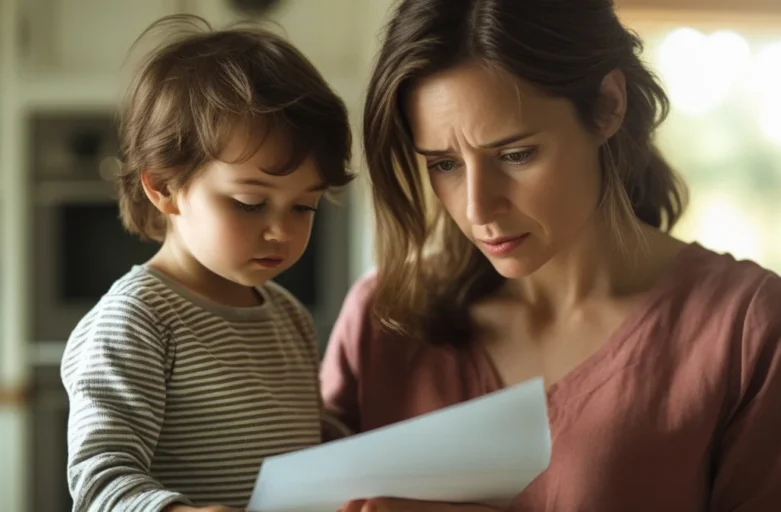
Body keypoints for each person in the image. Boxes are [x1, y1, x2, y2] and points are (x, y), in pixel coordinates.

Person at [320, 0, 781, 510]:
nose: (478, 207)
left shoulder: (747, 331)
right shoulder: (382, 317)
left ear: (608, 105)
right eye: (445, 164)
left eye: (515, 155)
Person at [60, 15, 352, 511]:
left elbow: (294, 441)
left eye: (304, 206)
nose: (281, 230)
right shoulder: (138, 319)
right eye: (248, 202)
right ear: (166, 188)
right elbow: (99, 476)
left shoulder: (289, 317)